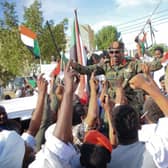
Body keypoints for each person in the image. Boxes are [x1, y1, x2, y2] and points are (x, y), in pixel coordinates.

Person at [70, 40, 162, 111]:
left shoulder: (133, 64)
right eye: (111, 52)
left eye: (117, 52)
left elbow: (154, 65)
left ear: (123, 52)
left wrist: (157, 58)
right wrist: (74, 65)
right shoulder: (105, 66)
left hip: (130, 106)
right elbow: (87, 70)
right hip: (111, 105)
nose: (114, 55)